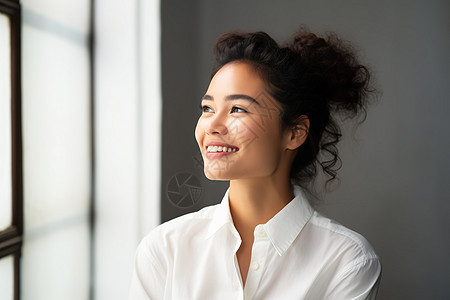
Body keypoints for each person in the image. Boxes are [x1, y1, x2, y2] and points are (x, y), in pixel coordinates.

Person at [129, 28, 381, 299]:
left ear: (294, 133)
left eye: (238, 109)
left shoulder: (346, 261)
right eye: (207, 109)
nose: (212, 126)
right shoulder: (164, 250)